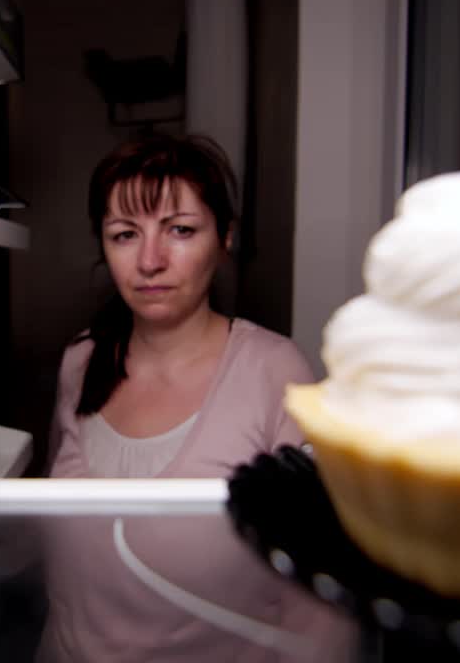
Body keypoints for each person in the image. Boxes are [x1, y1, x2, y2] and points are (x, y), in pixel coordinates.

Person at [36, 133, 355, 662]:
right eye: (124, 234)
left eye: (180, 231)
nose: (150, 260)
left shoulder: (275, 371)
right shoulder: (80, 363)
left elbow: (323, 598)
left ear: (224, 237)